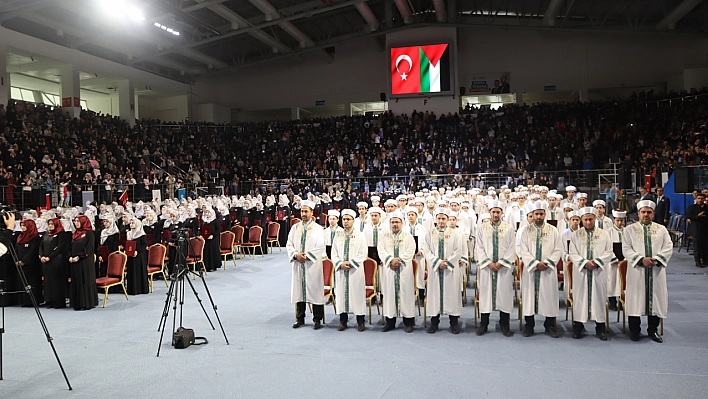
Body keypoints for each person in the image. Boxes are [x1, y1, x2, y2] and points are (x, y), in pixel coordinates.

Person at [622, 200, 672, 343]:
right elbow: (626, 249)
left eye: (649, 212)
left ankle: (653, 330)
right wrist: (641, 259)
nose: (646, 215)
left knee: (655, 300)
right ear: (638, 213)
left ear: (653, 214)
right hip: (637, 271)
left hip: (655, 271)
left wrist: (656, 259)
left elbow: (668, 247)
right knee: (636, 300)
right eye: (643, 212)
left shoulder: (661, 229)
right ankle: (635, 331)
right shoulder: (629, 230)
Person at [568, 207, 613, 340]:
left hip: (598, 272)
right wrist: (584, 263)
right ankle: (578, 327)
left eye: (591, 219)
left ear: (595, 219)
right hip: (581, 272)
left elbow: (609, 252)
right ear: (581, 220)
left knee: (598, 298)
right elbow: (573, 253)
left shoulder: (604, 234)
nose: (588, 222)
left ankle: (600, 328)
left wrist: (597, 262)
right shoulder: (576, 235)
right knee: (580, 299)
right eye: (586, 220)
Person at [519, 202, 563, 338]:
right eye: (536, 214)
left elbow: (558, 249)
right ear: (532, 215)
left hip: (547, 270)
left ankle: (549, 325)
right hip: (531, 270)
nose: (538, 216)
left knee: (549, 297)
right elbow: (523, 250)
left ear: (545, 214)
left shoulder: (553, 230)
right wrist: (535, 264)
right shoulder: (526, 231)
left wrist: (547, 263)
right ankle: (529, 325)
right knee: (529, 297)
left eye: (541, 214)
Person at [475, 200, 515, 336]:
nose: (496, 214)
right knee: (486, 295)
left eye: (498, 212)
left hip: (503, 268)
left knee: (504, 295)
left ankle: (504, 324)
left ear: (502, 213)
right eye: (493, 212)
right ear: (489, 212)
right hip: (487, 268)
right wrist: (488, 262)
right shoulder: (482, 228)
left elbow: (511, 247)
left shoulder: (509, 228)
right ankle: (484, 324)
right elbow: (479, 247)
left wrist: (501, 262)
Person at [423, 208, 464, 334]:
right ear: (436, 219)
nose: (441, 221)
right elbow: (427, 250)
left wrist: (448, 263)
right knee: (435, 295)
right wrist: (437, 262)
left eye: (443, 219)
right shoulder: (429, 233)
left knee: (451, 294)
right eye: (439, 218)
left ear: (447, 220)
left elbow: (459, 250)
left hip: (450, 270)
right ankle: (434, 322)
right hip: (435, 269)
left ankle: (454, 322)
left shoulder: (455, 233)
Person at [287, 200, 326, 330]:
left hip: (312, 265)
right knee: (299, 291)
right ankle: (300, 318)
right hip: (298, 264)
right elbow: (289, 244)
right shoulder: (295, 228)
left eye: (306, 211)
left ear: (311, 212)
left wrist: (307, 256)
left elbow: (320, 247)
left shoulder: (318, 229)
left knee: (315, 291)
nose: (303, 214)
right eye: (302, 211)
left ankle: (317, 319)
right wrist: (295, 255)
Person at [378, 210, 417, 333]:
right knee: (389, 295)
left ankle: (408, 322)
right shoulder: (384, 237)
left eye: (397, 222)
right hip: (389, 270)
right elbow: (381, 250)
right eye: (393, 222)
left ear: (402, 223)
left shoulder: (408, 237)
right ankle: (390, 322)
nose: (395, 224)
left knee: (406, 295)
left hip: (404, 270)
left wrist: (399, 261)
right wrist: (390, 260)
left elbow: (411, 250)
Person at [331, 209, 367, 331]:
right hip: (341, 271)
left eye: (348, 219)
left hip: (355, 271)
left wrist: (351, 263)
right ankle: (343, 321)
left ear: (353, 220)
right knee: (341, 295)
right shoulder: (338, 235)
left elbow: (363, 253)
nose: (345, 222)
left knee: (357, 295)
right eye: (344, 219)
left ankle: (360, 321)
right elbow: (333, 253)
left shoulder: (360, 235)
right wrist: (340, 264)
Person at [69, 215, 98, 310]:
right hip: (75, 262)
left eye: (78, 221)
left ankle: (87, 303)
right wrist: (70, 256)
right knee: (77, 281)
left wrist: (79, 256)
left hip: (85, 262)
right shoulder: (75, 233)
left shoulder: (89, 233)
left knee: (85, 281)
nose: (76, 223)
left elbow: (89, 248)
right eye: (75, 221)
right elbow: (71, 247)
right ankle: (77, 303)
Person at [40, 218, 69, 308]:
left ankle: (58, 302)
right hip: (46, 262)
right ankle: (49, 301)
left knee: (57, 283)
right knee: (48, 282)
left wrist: (49, 257)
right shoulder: (46, 234)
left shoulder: (61, 234)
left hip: (56, 262)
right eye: (49, 224)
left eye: (52, 224)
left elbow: (59, 247)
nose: (50, 226)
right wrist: (41, 255)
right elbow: (41, 246)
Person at [15, 219, 42, 306]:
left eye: (24, 226)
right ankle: (24, 301)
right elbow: (15, 250)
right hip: (20, 265)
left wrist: (24, 261)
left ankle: (33, 301)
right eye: (21, 225)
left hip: (31, 265)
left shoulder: (35, 238)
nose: (22, 227)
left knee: (32, 282)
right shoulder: (19, 237)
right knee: (22, 282)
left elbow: (32, 251)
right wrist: (16, 260)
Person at [607, 209, 626, 310]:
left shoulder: (626, 231)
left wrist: (625, 259)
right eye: (618, 220)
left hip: (624, 260)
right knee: (612, 281)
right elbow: (607, 247)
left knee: (622, 281)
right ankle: (612, 302)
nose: (619, 222)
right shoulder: (608, 232)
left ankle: (621, 301)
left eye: (621, 220)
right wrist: (615, 259)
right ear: (614, 220)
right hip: (613, 262)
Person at [125, 217, 149, 295]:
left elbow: (144, 245)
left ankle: (140, 289)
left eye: (133, 223)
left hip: (140, 256)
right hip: (131, 256)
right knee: (131, 271)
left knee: (139, 271)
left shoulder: (141, 234)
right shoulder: (129, 234)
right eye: (130, 223)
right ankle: (132, 289)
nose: (131, 224)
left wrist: (137, 251)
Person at [686, 193, 708, 268]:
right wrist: (697, 216)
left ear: (704, 199)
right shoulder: (692, 207)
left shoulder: (707, 207)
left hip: (705, 229)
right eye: (699, 198)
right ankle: (697, 261)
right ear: (696, 199)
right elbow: (688, 216)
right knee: (697, 247)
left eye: (702, 198)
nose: (700, 200)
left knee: (705, 246)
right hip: (696, 230)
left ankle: (705, 260)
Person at [201, 207, 222, 272]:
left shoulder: (215, 220)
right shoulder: (204, 220)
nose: (207, 214)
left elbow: (218, 230)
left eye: (208, 212)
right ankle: (206, 266)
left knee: (212, 252)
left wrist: (213, 235)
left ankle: (213, 266)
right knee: (206, 252)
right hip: (206, 239)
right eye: (206, 212)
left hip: (213, 239)